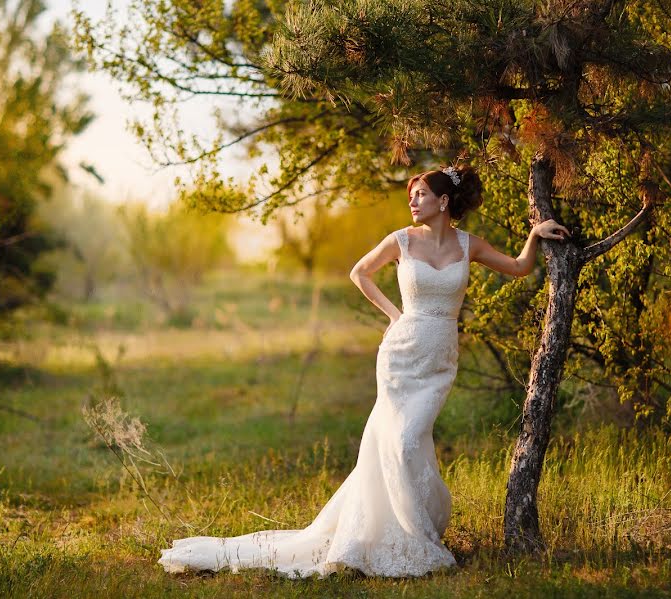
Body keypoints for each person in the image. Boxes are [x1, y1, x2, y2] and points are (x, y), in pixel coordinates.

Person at [157, 165, 570, 578]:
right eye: (411, 195)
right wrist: (396, 315)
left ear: (443, 202)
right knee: (400, 442)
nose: (412, 201)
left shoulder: (469, 245)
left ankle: (411, 525)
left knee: (413, 440)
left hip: (440, 361)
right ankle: (403, 535)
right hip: (400, 354)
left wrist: (536, 234)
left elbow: (518, 268)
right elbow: (360, 273)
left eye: (420, 195)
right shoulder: (402, 240)